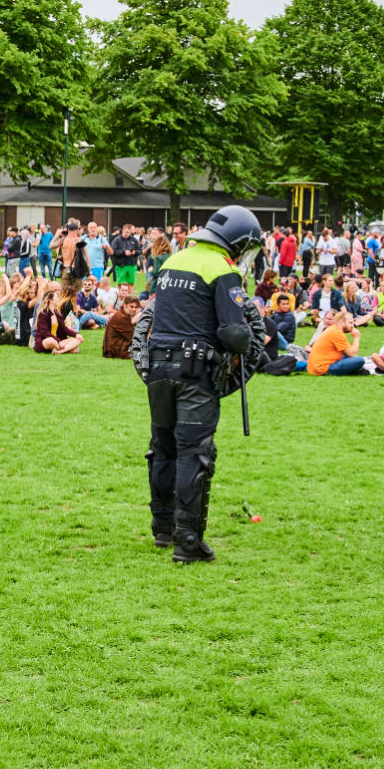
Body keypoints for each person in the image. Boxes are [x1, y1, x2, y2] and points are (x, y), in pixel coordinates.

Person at [128, 205, 267, 564]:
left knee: (162, 448)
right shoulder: (223, 268)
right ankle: (188, 542)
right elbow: (235, 334)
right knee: (194, 453)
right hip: (196, 375)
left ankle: (162, 529)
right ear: (237, 241)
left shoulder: (175, 260)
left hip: (158, 369)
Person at [306, 309, 371, 376]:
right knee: (360, 360)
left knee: (347, 356)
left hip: (315, 366)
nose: (352, 326)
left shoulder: (333, 329)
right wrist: (356, 337)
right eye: (350, 323)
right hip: (323, 369)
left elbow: (347, 352)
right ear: (342, 322)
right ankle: (352, 371)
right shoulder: (337, 333)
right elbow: (352, 354)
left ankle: (353, 372)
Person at [102, 295, 139, 359]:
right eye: (131, 307)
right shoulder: (121, 317)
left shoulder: (123, 314)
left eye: (136, 307)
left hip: (113, 349)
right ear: (125, 305)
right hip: (114, 351)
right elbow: (133, 337)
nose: (134, 309)